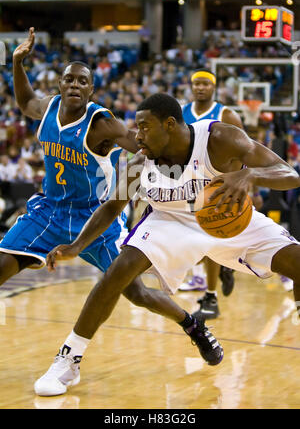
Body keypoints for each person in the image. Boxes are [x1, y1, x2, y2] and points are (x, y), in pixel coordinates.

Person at [2, 29, 223, 393]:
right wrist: (16, 63)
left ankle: (191, 324)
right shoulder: (47, 108)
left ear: (91, 90)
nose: (75, 85)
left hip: (95, 213)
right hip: (49, 209)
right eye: (69, 79)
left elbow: (145, 144)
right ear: (59, 84)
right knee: (3, 263)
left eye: (83, 81)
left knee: (134, 292)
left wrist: (184, 166)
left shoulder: (102, 123)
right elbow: (26, 103)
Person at [37, 92, 300, 396]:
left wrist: (251, 175)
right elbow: (112, 207)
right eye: (137, 127)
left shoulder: (219, 138)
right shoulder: (139, 163)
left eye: (145, 127)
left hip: (228, 218)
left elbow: (290, 174)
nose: (138, 135)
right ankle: (68, 360)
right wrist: (76, 245)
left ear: (170, 124)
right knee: (119, 272)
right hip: (169, 221)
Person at [179, 70, 244, 319]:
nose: (201, 88)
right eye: (197, 83)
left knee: (208, 241)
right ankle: (225, 267)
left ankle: (211, 297)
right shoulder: (181, 112)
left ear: (214, 87)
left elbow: (243, 149)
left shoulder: (226, 114)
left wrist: (237, 182)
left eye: (206, 84)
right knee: (194, 245)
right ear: (191, 86)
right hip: (187, 184)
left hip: (218, 185)